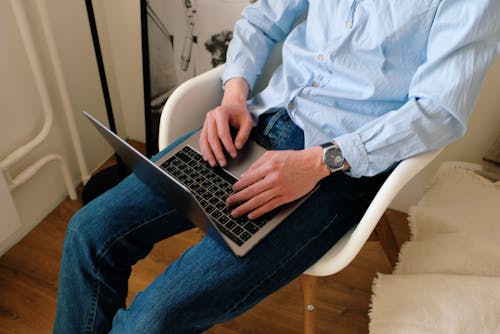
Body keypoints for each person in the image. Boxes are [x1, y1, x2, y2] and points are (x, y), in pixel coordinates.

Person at [54, 1, 499, 333]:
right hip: (259, 121)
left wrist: (321, 161)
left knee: (153, 318)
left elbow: (439, 110)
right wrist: (233, 95)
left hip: (337, 167)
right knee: (88, 232)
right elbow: (263, 17)